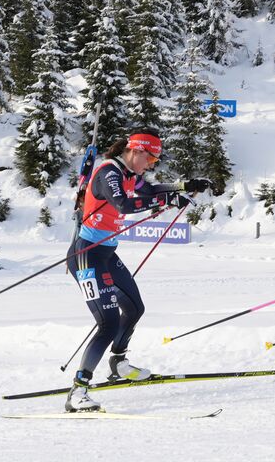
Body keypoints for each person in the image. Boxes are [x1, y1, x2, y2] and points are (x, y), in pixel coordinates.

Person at [64, 132, 212, 412]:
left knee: (134, 309)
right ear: (137, 151)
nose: (152, 164)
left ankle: (118, 364)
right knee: (107, 322)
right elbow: (124, 205)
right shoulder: (109, 173)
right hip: (86, 254)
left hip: (106, 253)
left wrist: (184, 186)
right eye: (151, 157)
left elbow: (150, 190)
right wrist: (168, 201)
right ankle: (78, 391)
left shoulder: (129, 174)